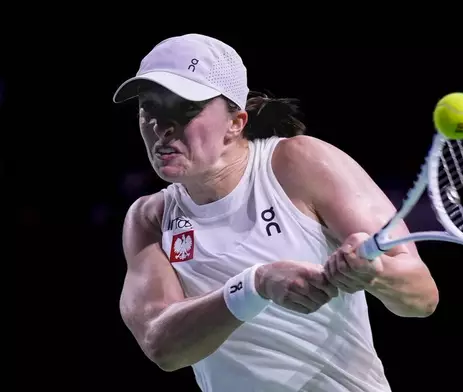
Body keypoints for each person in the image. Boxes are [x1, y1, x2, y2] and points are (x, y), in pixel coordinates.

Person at [114, 33, 439, 392]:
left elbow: (422, 296)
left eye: (186, 107)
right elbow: (162, 346)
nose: (162, 126)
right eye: (150, 107)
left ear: (235, 123)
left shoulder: (298, 163)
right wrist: (256, 284)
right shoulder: (150, 219)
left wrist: (373, 274)